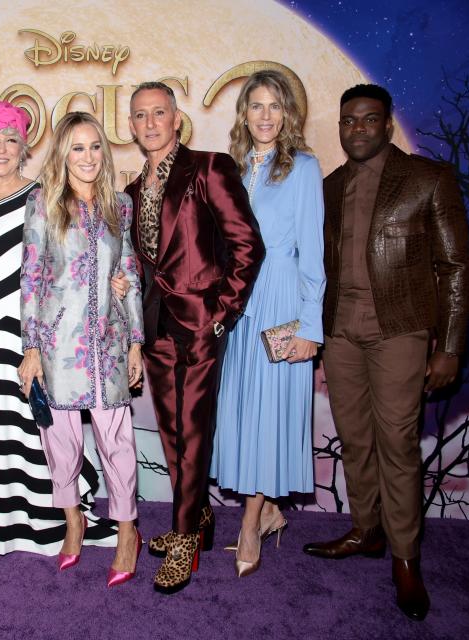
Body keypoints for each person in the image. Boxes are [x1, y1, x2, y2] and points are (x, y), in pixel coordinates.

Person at [0, 97, 122, 554]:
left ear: (24, 147)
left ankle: (43, 517)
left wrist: (117, 277)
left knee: (27, 428)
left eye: (11, 139)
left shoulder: (43, 198)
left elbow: (72, 260)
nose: (1, 147)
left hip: (24, 332)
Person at [302, 84, 469, 621]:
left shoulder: (428, 179)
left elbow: (456, 269)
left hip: (400, 331)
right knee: (354, 440)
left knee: (397, 443)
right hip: (341, 335)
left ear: (387, 123)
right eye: (348, 121)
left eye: (368, 120)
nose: (357, 129)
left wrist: (447, 348)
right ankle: (367, 531)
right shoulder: (329, 188)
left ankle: (405, 559)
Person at [125, 82, 264, 593]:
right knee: (171, 433)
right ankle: (198, 517)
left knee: (192, 431)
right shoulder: (134, 190)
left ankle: (184, 538)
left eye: (159, 112)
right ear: (132, 126)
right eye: (140, 115)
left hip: (202, 324)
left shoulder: (209, 167)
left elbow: (247, 245)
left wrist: (221, 314)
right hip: (156, 326)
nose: (150, 123)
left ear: (177, 118)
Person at [17, 112, 145, 585]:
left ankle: (127, 530)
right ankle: (74, 521)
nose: (87, 157)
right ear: (62, 154)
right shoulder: (43, 203)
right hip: (58, 343)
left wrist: (135, 340)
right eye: (76, 148)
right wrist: (30, 347)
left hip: (108, 342)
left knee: (118, 443)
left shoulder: (119, 206)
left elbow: (129, 272)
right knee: (62, 441)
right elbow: (31, 277)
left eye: (94, 147)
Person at [209, 71, 325, 577]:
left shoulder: (302, 168)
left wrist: (310, 327)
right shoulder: (231, 168)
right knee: (241, 412)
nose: (265, 116)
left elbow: (313, 256)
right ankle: (268, 510)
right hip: (237, 303)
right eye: (256, 106)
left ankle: (252, 522)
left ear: (288, 114)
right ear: (244, 114)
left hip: (280, 302)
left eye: (274, 106)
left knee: (270, 416)